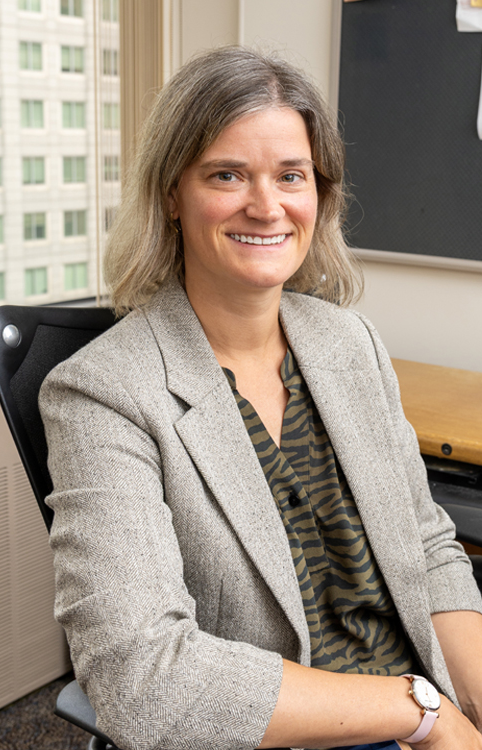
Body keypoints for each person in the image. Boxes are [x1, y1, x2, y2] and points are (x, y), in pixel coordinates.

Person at [39, 46, 482, 750]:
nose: (266, 204)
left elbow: (426, 548)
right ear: (170, 195)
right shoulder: (104, 391)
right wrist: (418, 709)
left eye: (291, 175)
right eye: (227, 174)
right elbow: (143, 677)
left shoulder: (350, 343)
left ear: (319, 194)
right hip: (301, 728)